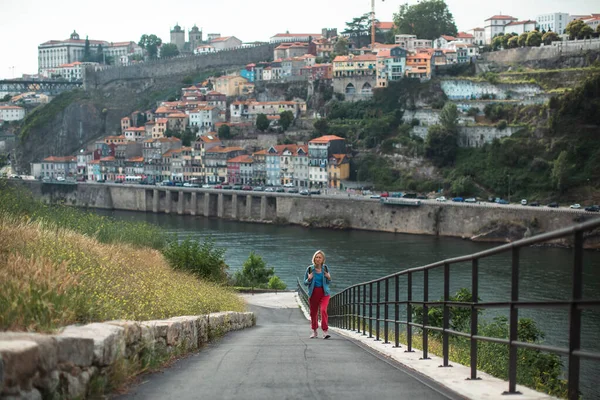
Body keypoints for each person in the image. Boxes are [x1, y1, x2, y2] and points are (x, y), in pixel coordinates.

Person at [304, 250, 332, 339]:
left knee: (323, 310)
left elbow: (328, 282)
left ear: (323, 259)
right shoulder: (309, 269)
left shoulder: (325, 268)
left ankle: (325, 331)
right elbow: (305, 283)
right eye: (317, 257)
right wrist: (309, 279)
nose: (318, 259)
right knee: (313, 313)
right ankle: (314, 331)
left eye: (320, 257)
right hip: (313, 293)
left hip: (324, 293)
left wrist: (329, 277)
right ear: (314, 258)